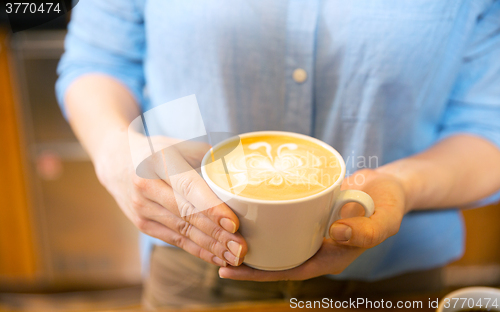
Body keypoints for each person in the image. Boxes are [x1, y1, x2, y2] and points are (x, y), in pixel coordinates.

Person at [56, 0, 500, 309]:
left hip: (392, 279)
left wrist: (403, 184)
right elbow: (99, 59)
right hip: (194, 256)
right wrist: (116, 153)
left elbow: (487, 127)